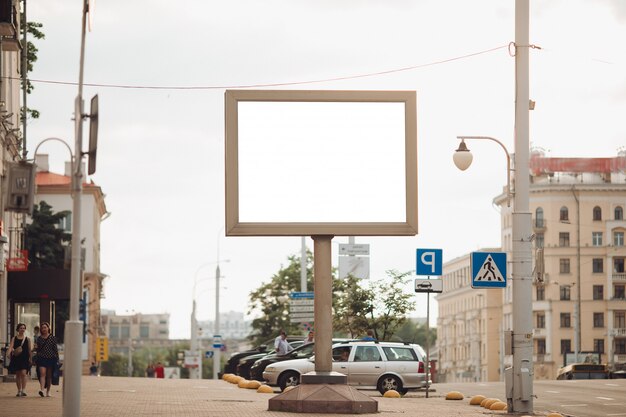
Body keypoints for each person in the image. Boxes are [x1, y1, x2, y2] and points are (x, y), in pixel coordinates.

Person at [35, 322, 59, 397]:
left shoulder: (53, 338)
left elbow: (55, 349)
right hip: (41, 358)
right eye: (42, 328)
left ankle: (48, 391)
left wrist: (57, 359)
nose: (44, 329)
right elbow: (37, 349)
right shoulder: (39, 338)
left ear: (48, 328)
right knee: (42, 373)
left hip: (51, 359)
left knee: (49, 376)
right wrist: (35, 348)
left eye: (45, 327)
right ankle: (42, 390)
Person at [7, 323, 32, 397]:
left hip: (24, 358)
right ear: (18, 329)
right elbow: (11, 347)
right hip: (17, 358)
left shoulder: (28, 339)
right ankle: (19, 390)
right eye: (21, 328)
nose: (22, 329)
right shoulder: (14, 338)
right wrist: (8, 353)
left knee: (24, 374)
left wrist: (30, 358)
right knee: (18, 375)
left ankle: (24, 390)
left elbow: (29, 350)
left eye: (24, 328)